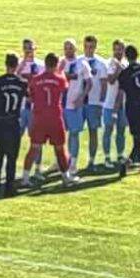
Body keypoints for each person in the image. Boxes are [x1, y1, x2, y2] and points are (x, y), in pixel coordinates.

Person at [21, 53, 74, 187]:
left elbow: (30, 97)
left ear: (45, 64)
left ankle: (25, 178)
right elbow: (65, 87)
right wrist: (61, 71)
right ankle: (66, 177)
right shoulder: (59, 79)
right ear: (56, 64)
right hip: (55, 118)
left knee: (34, 148)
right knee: (60, 148)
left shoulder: (35, 79)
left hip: (39, 118)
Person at [0, 53, 27, 196]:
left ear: (6, 64)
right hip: (13, 121)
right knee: (12, 155)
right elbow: (29, 97)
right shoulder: (22, 83)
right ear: (16, 65)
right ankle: (9, 186)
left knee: (0, 151)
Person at [115, 45, 140, 176]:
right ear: (137, 55)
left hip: (131, 107)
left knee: (136, 136)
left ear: (126, 56)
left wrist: (116, 108)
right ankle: (128, 162)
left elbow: (121, 93)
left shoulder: (124, 74)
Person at [60, 38, 91, 181]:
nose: (68, 50)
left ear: (76, 49)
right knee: (60, 137)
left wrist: (82, 98)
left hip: (74, 106)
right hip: (61, 105)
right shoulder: (60, 63)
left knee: (74, 134)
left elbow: (89, 83)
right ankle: (61, 161)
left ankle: (73, 164)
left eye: (71, 48)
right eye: (66, 48)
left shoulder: (82, 63)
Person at [78, 35, 109, 172]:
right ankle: (71, 159)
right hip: (79, 102)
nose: (88, 49)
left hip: (94, 102)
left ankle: (91, 160)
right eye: (86, 46)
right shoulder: (78, 61)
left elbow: (104, 84)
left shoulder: (101, 63)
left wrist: (101, 103)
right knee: (74, 131)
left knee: (93, 131)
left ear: (95, 47)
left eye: (91, 47)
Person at [17, 38, 45, 179]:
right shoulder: (19, 64)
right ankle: (12, 167)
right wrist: (22, 63)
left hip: (36, 108)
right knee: (15, 138)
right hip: (21, 108)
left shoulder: (41, 65)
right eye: (25, 48)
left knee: (37, 140)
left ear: (35, 48)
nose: (28, 50)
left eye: (30, 47)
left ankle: (38, 169)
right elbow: (14, 79)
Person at [101, 40, 128, 168]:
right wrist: (118, 70)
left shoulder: (127, 64)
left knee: (121, 130)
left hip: (123, 104)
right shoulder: (109, 63)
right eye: (115, 49)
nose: (117, 52)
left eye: (120, 49)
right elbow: (110, 80)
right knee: (108, 130)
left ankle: (120, 155)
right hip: (110, 103)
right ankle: (107, 157)